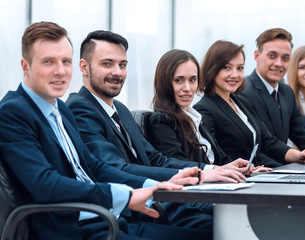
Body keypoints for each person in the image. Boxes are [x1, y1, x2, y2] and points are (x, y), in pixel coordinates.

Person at [0, 21, 212, 240]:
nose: (60, 71)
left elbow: (93, 166)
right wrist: (124, 196)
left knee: (212, 232)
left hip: (108, 219)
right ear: (25, 66)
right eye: (48, 62)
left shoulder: (60, 109)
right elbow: (45, 183)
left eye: (65, 61)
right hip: (74, 229)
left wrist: (156, 186)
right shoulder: (13, 111)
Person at [193, 40, 305, 168]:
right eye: (227, 67)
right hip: (238, 180)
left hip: (257, 176)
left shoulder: (241, 102)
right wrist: (248, 169)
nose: (235, 75)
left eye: (240, 68)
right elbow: (215, 157)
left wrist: (298, 155)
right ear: (212, 69)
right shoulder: (204, 109)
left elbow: (268, 141)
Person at [148, 49, 270, 173]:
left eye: (192, 80)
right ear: (164, 82)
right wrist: (216, 170)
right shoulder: (161, 120)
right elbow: (178, 164)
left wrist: (238, 168)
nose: (188, 88)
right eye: (179, 80)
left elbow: (219, 160)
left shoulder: (195, 118)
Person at [241, 28, 305, 159]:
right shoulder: (243, 91)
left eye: (285, 58)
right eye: (272, 56)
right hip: (262, 171)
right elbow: (261, 145)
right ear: (257, 56)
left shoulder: (286, 93)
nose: (279, 63)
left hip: (284, 169)